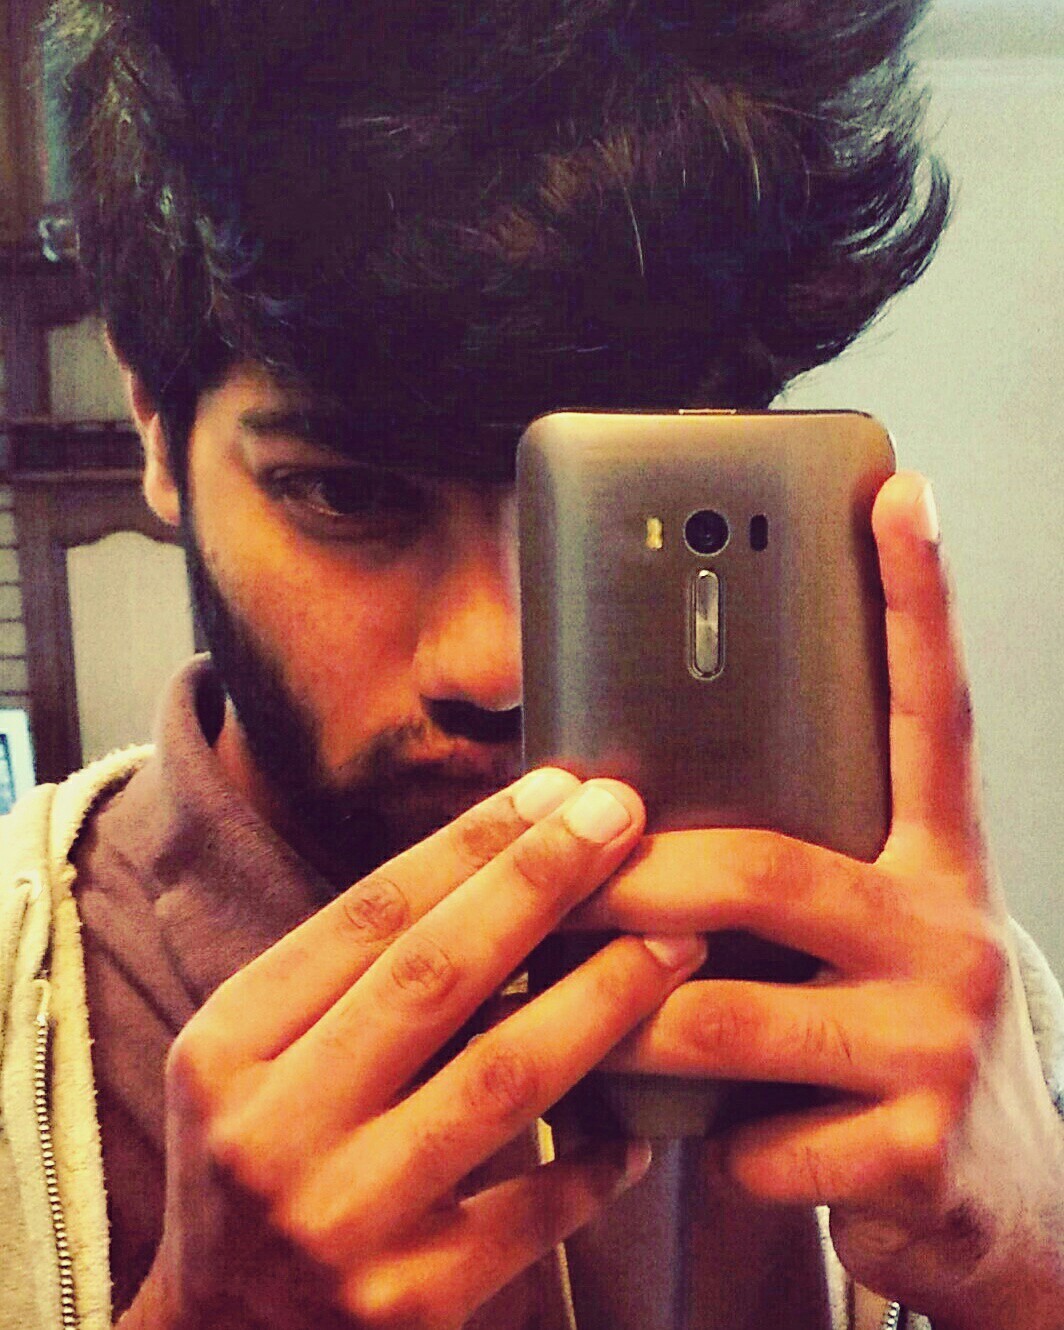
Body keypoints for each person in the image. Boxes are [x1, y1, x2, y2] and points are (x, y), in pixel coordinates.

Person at [2, 1, 1062, 1327]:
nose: (494, 662)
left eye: (613, 505)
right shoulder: (22, 991)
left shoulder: (932, 993)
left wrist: (1032, 1263)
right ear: (155, 427)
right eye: (345, 493)